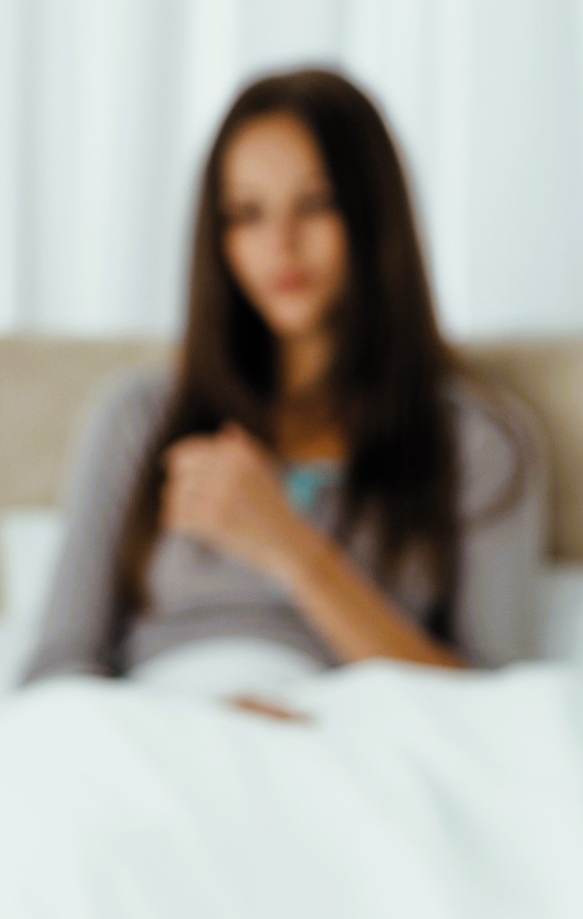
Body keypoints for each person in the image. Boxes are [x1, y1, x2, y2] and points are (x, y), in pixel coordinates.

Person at [22, 68, 546, 700]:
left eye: (316, 204)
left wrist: (292, 549)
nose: (281, 244)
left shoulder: (479, 441)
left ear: (373, 215)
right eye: (247, 214)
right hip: (159, 739)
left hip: (352, 744)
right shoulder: (139, 416)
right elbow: (55, 675)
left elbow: (497, 715)